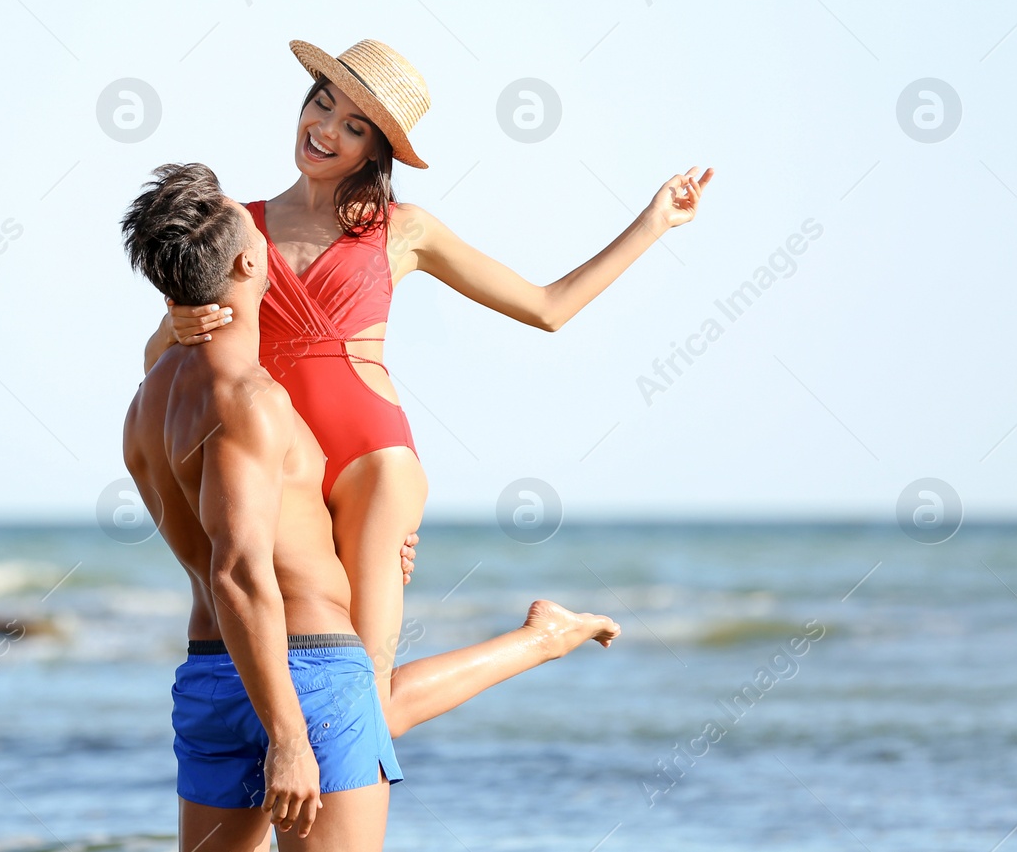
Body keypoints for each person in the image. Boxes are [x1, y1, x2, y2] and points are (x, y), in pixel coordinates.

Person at [145, 39, 711, 712]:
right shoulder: (236, 225)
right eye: (322, 105)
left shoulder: (403, 229)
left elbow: (548, 307)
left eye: (354, 127)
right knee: (282, 681)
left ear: (375, 151)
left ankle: (542, 639)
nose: (326, 130)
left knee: (363, 702)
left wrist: (653, 223)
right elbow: (167, 360)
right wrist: (174, 326)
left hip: (369, 459)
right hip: (276, 461)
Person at [121, 163, 620, 851]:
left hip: (210, 675)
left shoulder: (146, 405)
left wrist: (371, 543)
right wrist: (290, 735)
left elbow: (246, 535)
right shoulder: (253, 401)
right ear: (247, 260)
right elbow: (243, 569)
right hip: (310, 677)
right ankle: (543, 639)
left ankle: (542, 638)